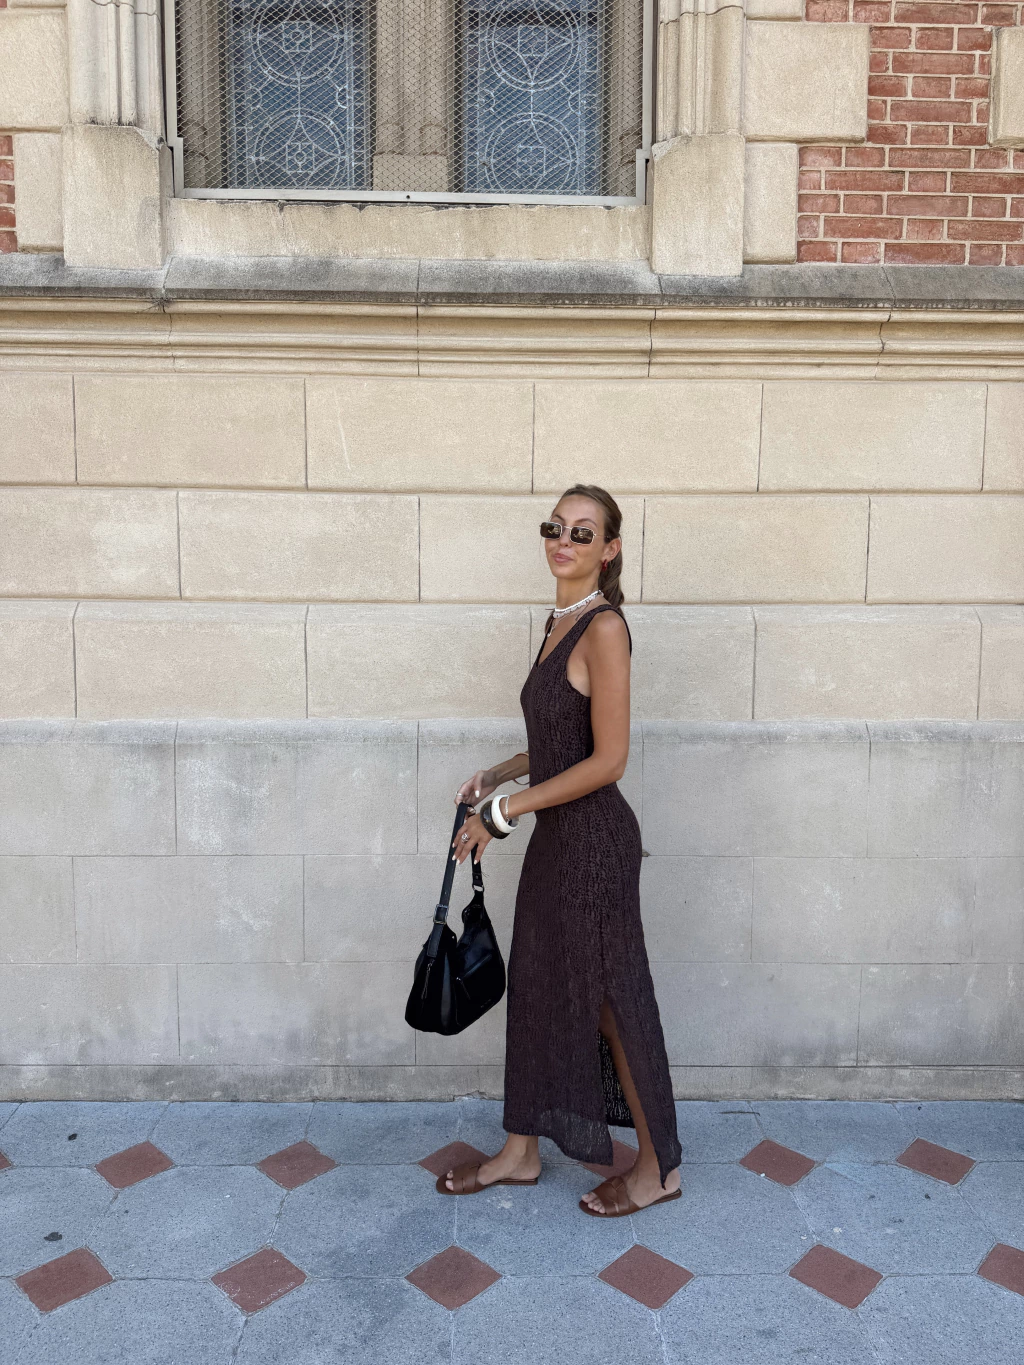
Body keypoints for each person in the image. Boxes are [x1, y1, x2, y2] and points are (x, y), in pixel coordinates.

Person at [437, 483, 682, 1217]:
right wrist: (502, 772)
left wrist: (503, 811)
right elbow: (561, 738)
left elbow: (609, 759)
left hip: (595, 845)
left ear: (609, 549)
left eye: (582, 531)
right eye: (555, 527)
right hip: (558, 840)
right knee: (539, 985)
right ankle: (520, 1150)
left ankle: (658, 1170)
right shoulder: (558, 621)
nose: (564, 540)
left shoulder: (603, 628)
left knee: (611, 1002)